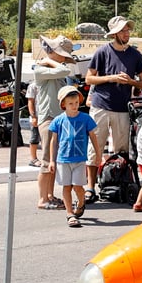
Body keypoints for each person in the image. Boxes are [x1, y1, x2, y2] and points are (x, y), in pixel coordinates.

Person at [84, 15, 142, 202]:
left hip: (122, 108)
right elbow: (89, 79)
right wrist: (111, 78)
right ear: (114, 34)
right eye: (123, 30)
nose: (126, 33)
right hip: (100, 105)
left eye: (128, 30)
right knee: (94, 148)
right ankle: (90, 188)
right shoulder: (102, 52)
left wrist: (131, 81)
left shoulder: (136, 55)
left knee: (122, 149)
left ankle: (119, 183)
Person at [33, 35, 79, 210]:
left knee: (53, 160)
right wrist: (50, 61)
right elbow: (64, 71)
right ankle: (43, 199)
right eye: (62, 55)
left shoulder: (51, 67)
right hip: (48, 118)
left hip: (58, 119)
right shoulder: (41, 69)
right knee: (46, 160)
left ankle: (50, 195)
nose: (64, 59)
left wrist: (52, 61)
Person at [48, 85, 102, 229]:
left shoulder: (85, 119)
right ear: (63, 104)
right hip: (62, 159)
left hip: (79, 160)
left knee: (78, 187)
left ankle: (81, 202)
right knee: (66, 187)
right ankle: (70, 213)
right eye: (71, 104)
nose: (74, 106)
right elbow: (54, 141)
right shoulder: (58, 120)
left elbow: (93, 137)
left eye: (76, 103)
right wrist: (52, 160)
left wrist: (98, 154)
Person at [25, 80, 41, 167]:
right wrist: (33, 116)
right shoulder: (33, 85)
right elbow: (30, 102)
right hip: (37, 116)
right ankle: (33, 158)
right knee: (35, 137)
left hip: (47, 115)